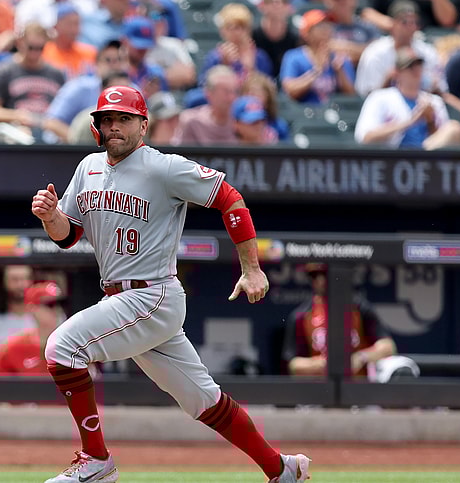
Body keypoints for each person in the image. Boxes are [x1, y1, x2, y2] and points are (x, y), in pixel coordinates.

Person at [30, 85, 311, 483]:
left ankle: (96, 460)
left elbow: (230, 198)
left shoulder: (162, 167)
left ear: (143, 125)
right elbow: (68, 234)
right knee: (203, 400)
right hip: (122, 296)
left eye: (124, 119)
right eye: (106, 120)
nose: (114, 127)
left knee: (62, 347)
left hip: (151, 293)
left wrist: (252, 267)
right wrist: (49, 217)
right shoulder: (87, 167)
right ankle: (281, 469)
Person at [283, 263, 419, 382]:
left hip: (360, 387)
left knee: (400, 364)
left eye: (324, 274)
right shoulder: (301, 315)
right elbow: (294, 365)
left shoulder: (358, 307)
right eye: (313, 276)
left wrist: (360, 358)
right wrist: (323, 364)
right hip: (320, 389)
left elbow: (388, 346)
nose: (320, 280)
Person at [355, 47, 460, 150]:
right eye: (410, 66)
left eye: (419, 65)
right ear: (397, 72)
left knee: (454, 128)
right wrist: (412, 121)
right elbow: (365, 137)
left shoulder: (434, 101)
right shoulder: (380, 98)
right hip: (393, 158)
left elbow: (442, 141)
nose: (416, 70)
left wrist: (430, 121)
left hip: (427, 160)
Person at [355, 1, 445, 97]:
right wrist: (387, 81)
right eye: (404, 22)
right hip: (385, 108)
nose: (410, 27)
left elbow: (441, 90)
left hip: (422, 106)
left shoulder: (428, 52)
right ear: (393, 23)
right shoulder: (375, 53)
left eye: (414, 22)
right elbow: (366, 96)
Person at [279, 9, 356, 105]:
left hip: (337, 114)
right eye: (320, 26)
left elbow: (352, 97)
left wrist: (339, 71)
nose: (326, 30)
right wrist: (317, 71)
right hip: (305, 114)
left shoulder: (340, 58)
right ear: (307, 33)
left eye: (329, 25)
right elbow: (289, 91)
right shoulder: (294, 57)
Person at [0, 281, 66, 376]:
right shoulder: (11, 348)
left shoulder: (75, 345)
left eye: (61, 303)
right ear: (32, 308)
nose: (57, 309)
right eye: (50, 304)